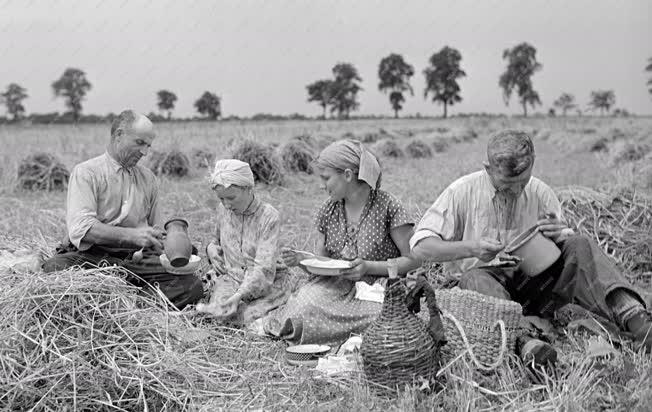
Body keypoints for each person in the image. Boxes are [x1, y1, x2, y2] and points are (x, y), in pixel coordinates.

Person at [410, 129, 652, 363]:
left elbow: (563, 247)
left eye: (522, 182)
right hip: (484, 290)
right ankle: (527, 341)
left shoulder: (540, 191)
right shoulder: (461, 192)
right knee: (474, 278)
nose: (516, 190)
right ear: (488, 169)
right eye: (507, 183)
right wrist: (473, 248)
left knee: (580, 244)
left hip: (537, 287)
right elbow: (420, 247)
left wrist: (559, 234)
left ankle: (638, 323)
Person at [42, 110, 203, 310]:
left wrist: (166, 242)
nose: (145, 152)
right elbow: (81, 228)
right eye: (139, 143)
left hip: (136, 261)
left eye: (148, 146)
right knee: (55, 268)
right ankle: (137, 301)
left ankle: (123, 306)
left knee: (192, 285)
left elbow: (156, 227)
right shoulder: (87, 173)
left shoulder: (148, 178)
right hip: (94, 258)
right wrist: (132, 236)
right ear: (119, 135)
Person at [264, 139, 419, 345]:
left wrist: (368, 267)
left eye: (326, 178)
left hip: (377, 288)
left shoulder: (389, 207)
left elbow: (414, 259)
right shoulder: (329, 209)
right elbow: (322, 262)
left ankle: (342, 332)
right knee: (305, 305)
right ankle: (342, 332)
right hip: (336, 287)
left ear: (347, 175)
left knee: (387, 314)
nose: (322, 186)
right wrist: (302, 259)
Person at [196, 159, 290, 325]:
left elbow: (264, 269)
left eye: (231, 198)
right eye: (221, 199)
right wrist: (211, 249)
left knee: (245, 317)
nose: (226, 204)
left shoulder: (268, 217)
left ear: (248, 188)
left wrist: (239, 296)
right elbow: (215, 240)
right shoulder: (222, 210)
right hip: (232, 279)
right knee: (220, 312)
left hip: (266, 284)